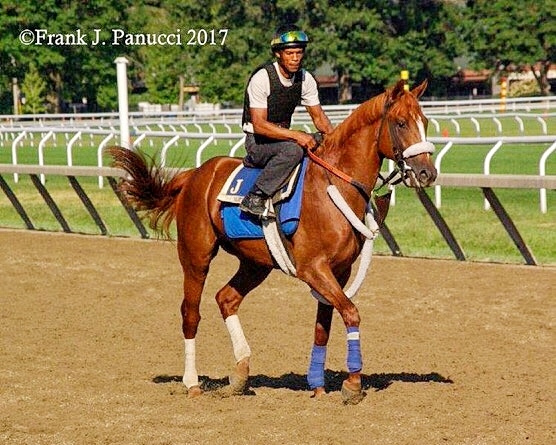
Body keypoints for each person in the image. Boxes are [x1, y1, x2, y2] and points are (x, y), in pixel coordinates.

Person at [239, 24, 334, 218]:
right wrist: (297, 135)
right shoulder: (262, 78)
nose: (295, 58)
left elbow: (319, 118)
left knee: (322, 142)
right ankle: (255, 196)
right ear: (278, 54)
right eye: (290, 53)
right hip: (258, 143)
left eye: (299, 53)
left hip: (282, 140)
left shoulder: (305, 78)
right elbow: (259, 125)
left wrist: (335, 139)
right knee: (294, 149)